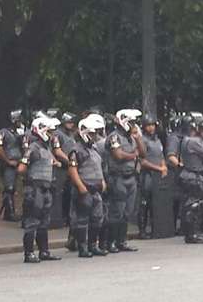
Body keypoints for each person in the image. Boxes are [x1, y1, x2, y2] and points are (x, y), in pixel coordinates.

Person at [16, 117, 61, 263]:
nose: (51, 134)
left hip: (46, 189)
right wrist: (30, 177)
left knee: (44, 222)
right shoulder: (33, 148)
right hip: (35, 189)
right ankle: (29, 253)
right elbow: (21, 168)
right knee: (32, 221)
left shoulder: (46, 148)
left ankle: (44, 251)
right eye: (49, 131)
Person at [67, 115, 109, 257]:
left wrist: (102, 181)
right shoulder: (76, 150)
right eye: (92, 133)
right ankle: (83, 247)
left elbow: (99, 167)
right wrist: (80, 187)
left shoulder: (95, 149)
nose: (94, 136)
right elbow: (72, 170)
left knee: (97, 218)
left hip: (96, 189)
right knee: (82, 220)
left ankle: (93, 245)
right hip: (84, 189)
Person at [105, 109, 145, 252]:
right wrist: (133, 155)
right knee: (117, 212)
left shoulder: (131, 138)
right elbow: (118, 155)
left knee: (127, 212)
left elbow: (143, 153)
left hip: (131, 177)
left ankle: (122, 241)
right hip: (117, 177)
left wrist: (139, 137)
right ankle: (110, 242)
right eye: (131, 122)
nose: (134, 125)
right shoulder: (114, 137)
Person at [179, 115, 203, 244]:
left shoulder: (187, 139)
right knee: (193, 205)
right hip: (193, 175)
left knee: (193, 204)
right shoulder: (194, 141)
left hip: (190, 175)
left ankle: (193, 232)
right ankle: (191, 234)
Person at [139, 116, 167, 239]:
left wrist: (164, 166)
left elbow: (161, 156)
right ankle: (142, 230)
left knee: (156, 202)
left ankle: (156, 228)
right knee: (145, 202)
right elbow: (142, 161)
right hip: (147, 175)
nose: (151, 128)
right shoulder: (143, 140)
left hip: (158, 175)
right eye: (148, 125)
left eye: (153, 125)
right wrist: (158, 168)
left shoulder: (157, 140)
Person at [53, 112, 79, 250]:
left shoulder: (72, 134)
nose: (71, 124)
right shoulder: (58, 134)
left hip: (71, 167)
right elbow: (57, 151)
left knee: (70, 193)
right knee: (60, 192)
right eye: (68, 122)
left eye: (72, 122)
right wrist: (69, 161)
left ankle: (67, 218)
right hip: (62, 167)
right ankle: (60, 218)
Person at [0, 110, 26, 221]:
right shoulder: (3, 132)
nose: (20, 122)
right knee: (9, 188)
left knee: (14, 187)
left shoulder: (18, 133)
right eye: (18, 120)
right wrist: (7, 161)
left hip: (17, 162)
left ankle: (10, 210)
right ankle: (9, 213)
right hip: (8, 164)